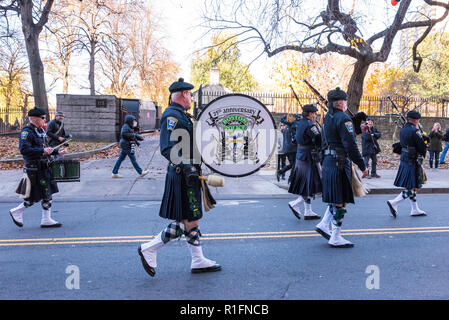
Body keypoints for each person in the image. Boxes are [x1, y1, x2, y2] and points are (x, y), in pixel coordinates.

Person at [138, 78, 221, 277]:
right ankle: (150, 247)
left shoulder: (182, 115)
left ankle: (198, 259)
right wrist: (186, 166)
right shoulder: (171, 116)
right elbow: (167, 148)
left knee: (192, 218)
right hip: (183, 175)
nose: (191, 98)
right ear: (183, 94)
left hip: (189, 174)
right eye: (190, 94)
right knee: (190, 220)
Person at [315, 88, 368, 248]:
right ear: (340, 103)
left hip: (329, 162)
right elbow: (350, 144)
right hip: (340, 162)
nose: (346, 103)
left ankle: (324, 224)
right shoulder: (344, 119)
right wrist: (362, 164)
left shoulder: (327, 118)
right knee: (341, 201)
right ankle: (336, 236)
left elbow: (331, 139)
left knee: (335, 197)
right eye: (345, 101)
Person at [9, 107, 67, 228]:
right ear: (34, 119)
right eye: (43, 118)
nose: (45, 120)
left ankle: (46, 219)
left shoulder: (40, 130)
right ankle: (17, 211)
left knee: (48, 193)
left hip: (44, 166)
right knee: (35, 195)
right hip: (34, 169)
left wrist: (57, 152)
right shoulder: (27, 132)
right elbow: (24, 150)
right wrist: (42, 150)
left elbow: (46, 149)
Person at [387, 110, 427, 218]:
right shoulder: (415, 131)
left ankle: (415, 209)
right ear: (415, 120)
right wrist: (426, 142)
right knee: (411, 187)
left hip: (405, 158)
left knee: (412, 186)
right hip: (412, 159)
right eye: (418, 119)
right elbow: (422, 146)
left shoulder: (403, 129)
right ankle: (394, 202)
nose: (418, 121)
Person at [287, 104, 322, 221]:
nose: (315, 115)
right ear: (310, 114)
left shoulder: (300, 123)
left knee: (306, 184)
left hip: (300, 155)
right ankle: (295, 203)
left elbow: (296, 139)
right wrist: (320, 131)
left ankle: (308, 211)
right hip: (309, 157)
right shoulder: (310, 125)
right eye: (315, 113)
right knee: (312, 183)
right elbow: (319, 139)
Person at [276, 115, 297, 183]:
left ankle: (281, 172)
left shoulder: (287, 127)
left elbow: (282, 119)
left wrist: (285, 116)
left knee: (292, 164)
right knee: (294, 164)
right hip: (292, 148)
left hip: (287, 149)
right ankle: (290, 179)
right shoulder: (291, 126)